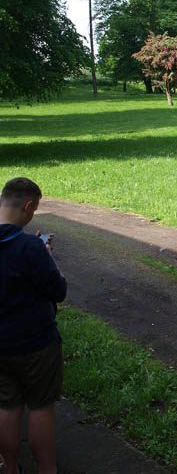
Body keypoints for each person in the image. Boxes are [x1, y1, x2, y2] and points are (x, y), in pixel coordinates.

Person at [0, 178, 67, 474]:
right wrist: (48, 256)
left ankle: (10, 468)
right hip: (36, 344)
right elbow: (58, 290)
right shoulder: (30, 247)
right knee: (40, 407)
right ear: (28, 206)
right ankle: (46, 469)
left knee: (6, 406)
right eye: (34, 210)